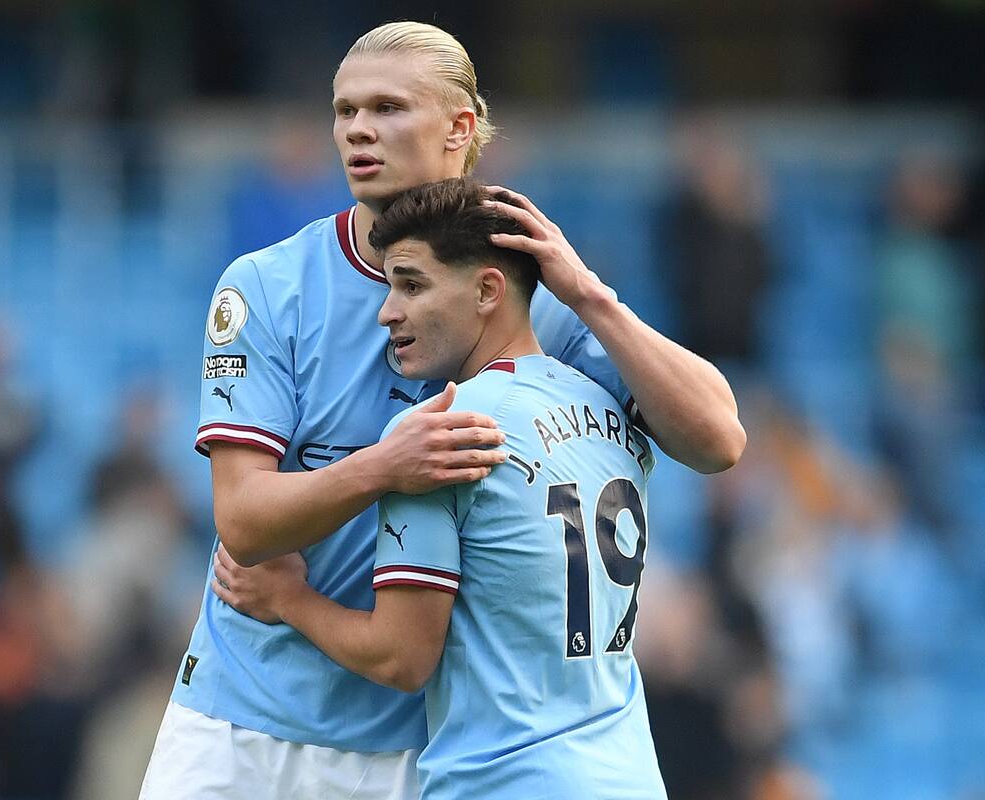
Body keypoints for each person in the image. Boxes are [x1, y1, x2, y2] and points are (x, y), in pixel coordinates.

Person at [140, 20, 743, 800]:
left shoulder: (532, 303)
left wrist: (592, 294)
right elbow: (244, 521)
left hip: (411, 741)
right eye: (344, 109)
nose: (358, 129)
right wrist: (383, 467)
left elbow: (718, 439)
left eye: (388, 108)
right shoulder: (268, 286)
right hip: (240, 721)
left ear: (461, 127)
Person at [214, 177, 668, 799]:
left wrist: (288, 600)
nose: (386, 311)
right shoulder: (609, 406)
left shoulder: (439, 436)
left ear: (487, 291)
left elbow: (401, 658)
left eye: (411, 284)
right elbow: (720, 436)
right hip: (629, 774)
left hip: (506, 779)